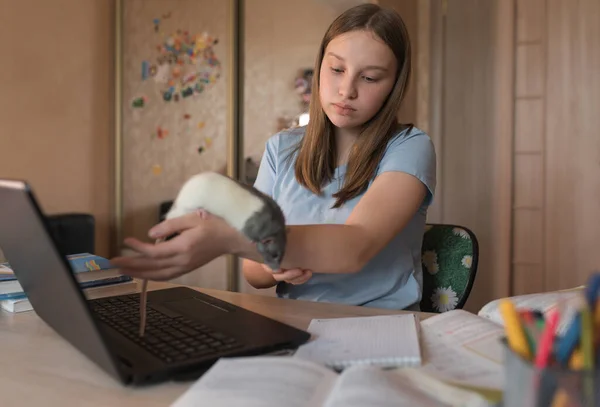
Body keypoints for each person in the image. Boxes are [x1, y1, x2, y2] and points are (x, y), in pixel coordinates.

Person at [110, 3, 436, 311]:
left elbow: (355, 246)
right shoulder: (282, 148)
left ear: (394, 85)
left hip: (380, 328)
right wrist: (275, 268)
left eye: (369, 78)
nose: (346, 90)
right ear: (320, 65)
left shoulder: (410, 147)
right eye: (336, 69)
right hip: (295, 323)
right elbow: (255, 272)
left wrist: (228, 238)